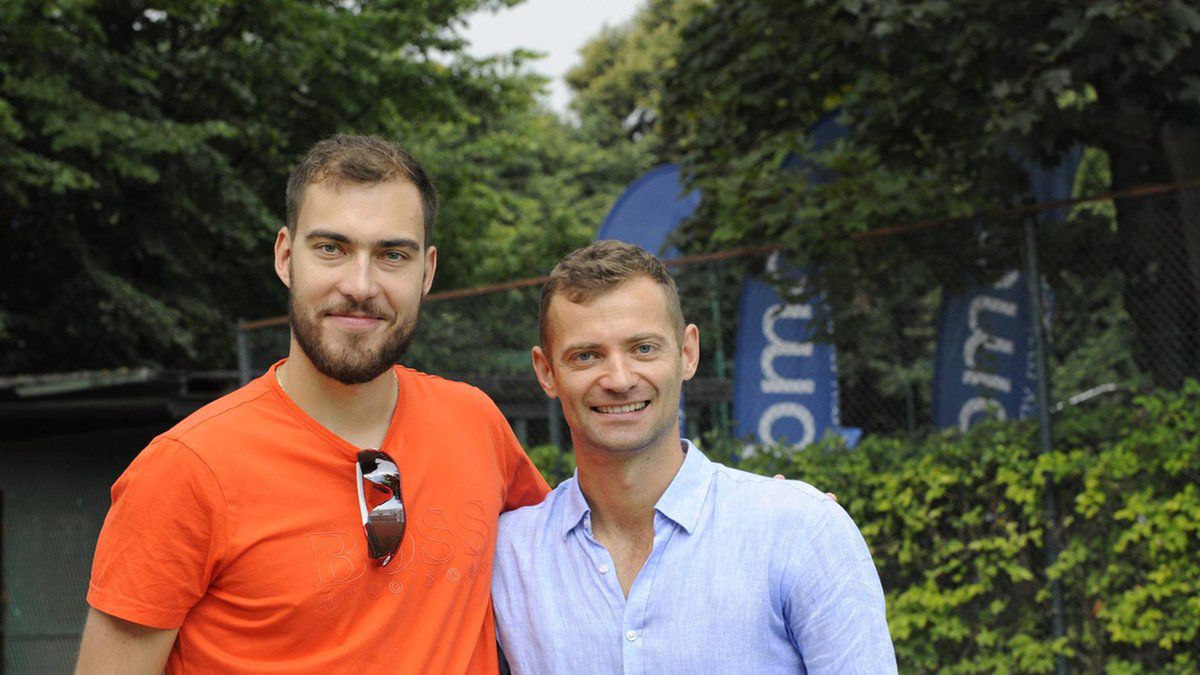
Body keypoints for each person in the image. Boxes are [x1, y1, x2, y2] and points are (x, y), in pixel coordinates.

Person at [75, 134, 549, 674]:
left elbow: (573, 553)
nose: (360, 284)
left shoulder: (475, 423)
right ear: (285, 256)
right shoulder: (185, 469)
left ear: (428, 271)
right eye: (332, 248)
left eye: (392, 254)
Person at [492, 241, 897, 674]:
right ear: (546, 372)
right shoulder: (507, 557)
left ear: (687, 353)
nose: (619, 379)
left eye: (643, 348)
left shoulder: (799, 531)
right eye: (586, 356)